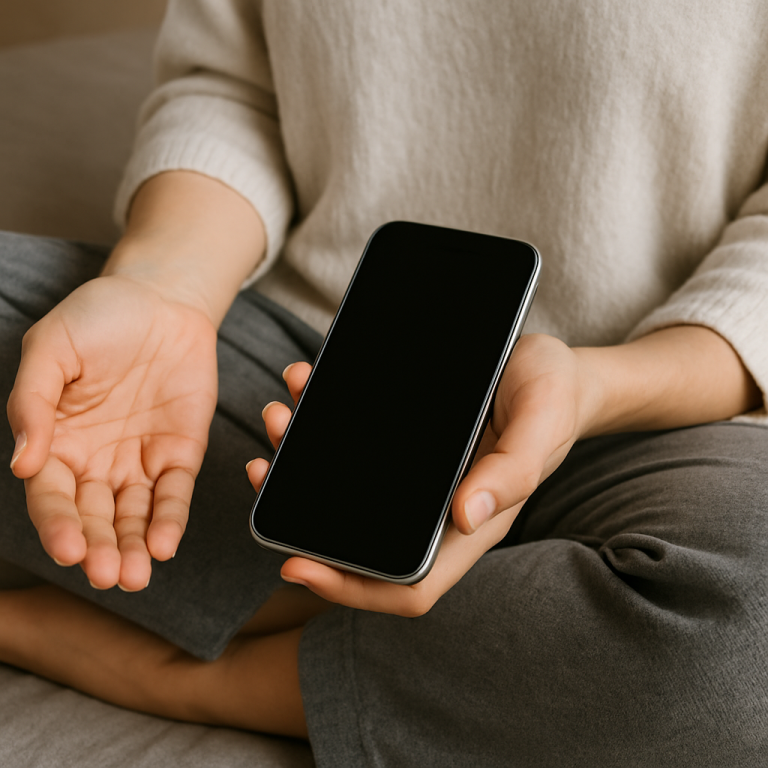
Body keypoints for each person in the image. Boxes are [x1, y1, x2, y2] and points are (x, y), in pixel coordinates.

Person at [2, 0, 768, 764]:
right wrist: (164, 286)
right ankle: (506, 615)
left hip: (652, 409)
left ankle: (202, 671)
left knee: (750, 642)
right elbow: (235, 90)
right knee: (59, 361)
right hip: (299, 359)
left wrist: (596, 388)